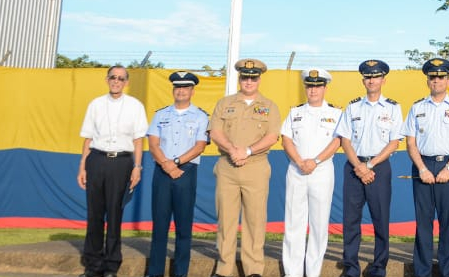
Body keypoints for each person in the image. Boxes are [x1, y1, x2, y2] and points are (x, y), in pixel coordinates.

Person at [208, 58, 281, 277]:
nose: (249, 81)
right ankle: (224, 268)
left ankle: (253, 269)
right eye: (245, 77)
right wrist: (232, 150)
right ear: (240, 78)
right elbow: (215, 132)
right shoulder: (225, 103)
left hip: (256, 168)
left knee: (255, 221)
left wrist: (247, 151)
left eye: (253, 77)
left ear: (259, 79)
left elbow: (272, 136)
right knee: (226, 221)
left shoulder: (269, 106)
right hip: (227, 167)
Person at [77, 64, 149, 277]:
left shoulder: (135, 106)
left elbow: (138, 141)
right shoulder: (96, 105)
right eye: (112, 77)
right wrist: (82, 166)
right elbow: (88, 138)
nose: (116, 81)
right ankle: (93, 266)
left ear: (126, 82)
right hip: (97, 159)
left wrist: (137, 167)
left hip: (122, 162)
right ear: (107, 79)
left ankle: (111, 266)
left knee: (115, 213)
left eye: (120, 78)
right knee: (95, 214)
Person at [403, 58, 449, 277]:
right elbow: (411, 142)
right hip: (422, 166)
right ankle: (422, 272)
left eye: (441, 77)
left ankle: (446, 272)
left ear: (448, 80)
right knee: (423, 224)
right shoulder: (417, 107)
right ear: (427, 81)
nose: (436, 81)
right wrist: (422, 169)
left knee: (448, 224)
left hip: (448, 167)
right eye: (432, 77)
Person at [336, 59, 404, 277]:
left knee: (380, 219)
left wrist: (370, 165)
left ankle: (379, 266)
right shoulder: (353, 106)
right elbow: (345, 139)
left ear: (383, 80)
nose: (371, 80)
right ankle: (351, 267)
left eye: (376, 76)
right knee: (351, 220)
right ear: (363, 80)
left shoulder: (393, 107)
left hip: (379, 167)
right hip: (354, 168)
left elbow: (394, 142)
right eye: (368, 77)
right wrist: (358, 166)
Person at [146, 71, 210, 277]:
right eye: (177, 87)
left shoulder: (201, 116)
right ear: (173, 89)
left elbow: (200, 146)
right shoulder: (161, 114)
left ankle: (180, 273)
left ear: (192, 90)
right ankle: (155, 272)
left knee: (183, 227)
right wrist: (166, 164)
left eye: (185, 87)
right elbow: (153, 144)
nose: (181, 91)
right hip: (162, 172)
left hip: (186, 172)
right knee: (160, 226)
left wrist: (175, 163)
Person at [281, 68, 343, 277]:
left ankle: (313, 272)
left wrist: (315, 161)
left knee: (318, 225)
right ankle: (293, 273)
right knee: (293, 224)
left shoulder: (336, 113)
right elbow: (286, 139)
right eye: (309, 86)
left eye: (317, 86)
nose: (313, 90)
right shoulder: (294, 112)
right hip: (297, 171)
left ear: (325, 87)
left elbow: (337, 141)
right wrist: (299, 161)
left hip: (322, 171)